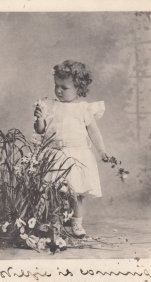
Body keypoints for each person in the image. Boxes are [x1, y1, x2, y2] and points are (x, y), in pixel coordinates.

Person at [34, 59, 108, 238]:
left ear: (79, 88)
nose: (58, 90)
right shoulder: (50, 106)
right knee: (54, 192)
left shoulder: (84, 109)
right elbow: (41, 131)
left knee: (78, 193)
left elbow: (94, 132)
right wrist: (39, 119)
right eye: (56, 86)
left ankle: (77, 223)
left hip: (78, 154)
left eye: (64, 87)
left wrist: (102, 151)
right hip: (56, 154)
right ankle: (54, 222)